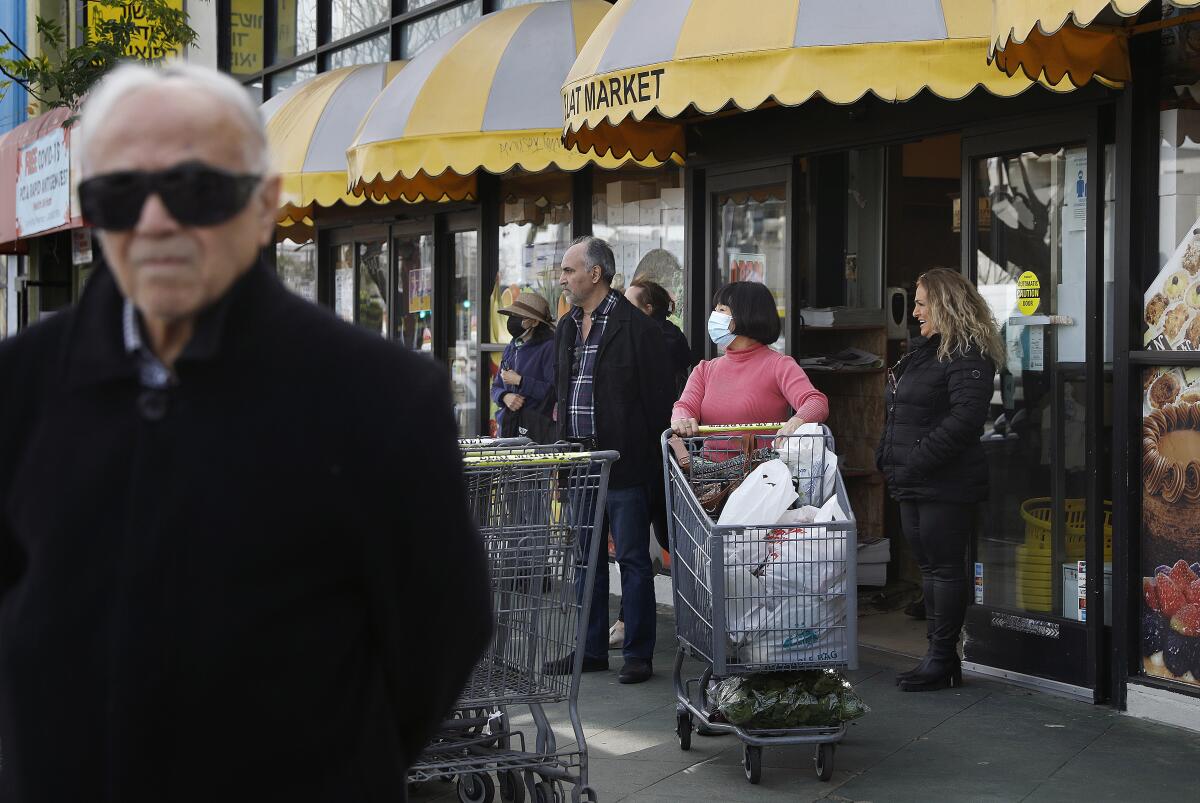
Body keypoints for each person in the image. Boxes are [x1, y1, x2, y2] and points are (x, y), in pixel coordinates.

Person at [0, 63, 491, 802]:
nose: (157, 221)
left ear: (264, 206)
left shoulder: (381, 398)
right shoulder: (18, 387)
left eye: (197, 188)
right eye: (122, 192)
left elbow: (438, 636)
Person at [544, 236, 673, 685]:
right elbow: (563, 397)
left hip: (624, 462)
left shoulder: (637, 327)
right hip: (578, 460)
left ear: (594, 274)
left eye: (567, 270)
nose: (562, 279)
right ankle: (591, 649)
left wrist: (650, 458)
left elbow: (658, 401)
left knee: (634, 560)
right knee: (585, 559)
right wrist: (562, 466)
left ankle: (638, 653)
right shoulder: (566, 327)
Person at [876, 268, 1001, 692]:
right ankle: (936, 656)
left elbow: (966, 419)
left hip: (944, 482)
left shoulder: (968, 355)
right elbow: (900, 411)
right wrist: (891, 458)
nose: (915, 311)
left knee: (945, 569)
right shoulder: (925, 352)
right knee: (929, 568)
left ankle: (943, 659)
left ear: (945, 306)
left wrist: (916, 459)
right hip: (913, 479)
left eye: (922, 303)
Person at [671, 281, 829, 439]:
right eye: (715, 309)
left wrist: (797, 421)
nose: (713, 316)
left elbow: (815, 401)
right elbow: (685, 406)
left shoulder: (779, 365)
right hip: (710, 463)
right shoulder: (705, 369)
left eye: (721, 309)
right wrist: (681, 418)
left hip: (765, 463)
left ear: (745, 314)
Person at [492, 291, 557, 442]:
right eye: (512, 315)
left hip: (536, 432)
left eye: (519, 317)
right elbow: (495, 387)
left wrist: (521, 381)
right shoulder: (511, 347)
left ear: (535, 322)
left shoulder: (549, 347)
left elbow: (554, 392)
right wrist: (504, 396)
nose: (512, 320)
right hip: (508, 429)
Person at [626, 277, 691, 396]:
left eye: (628, 305)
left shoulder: (652, 338)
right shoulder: (671, 332)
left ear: (648, 309)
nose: (622, 309)